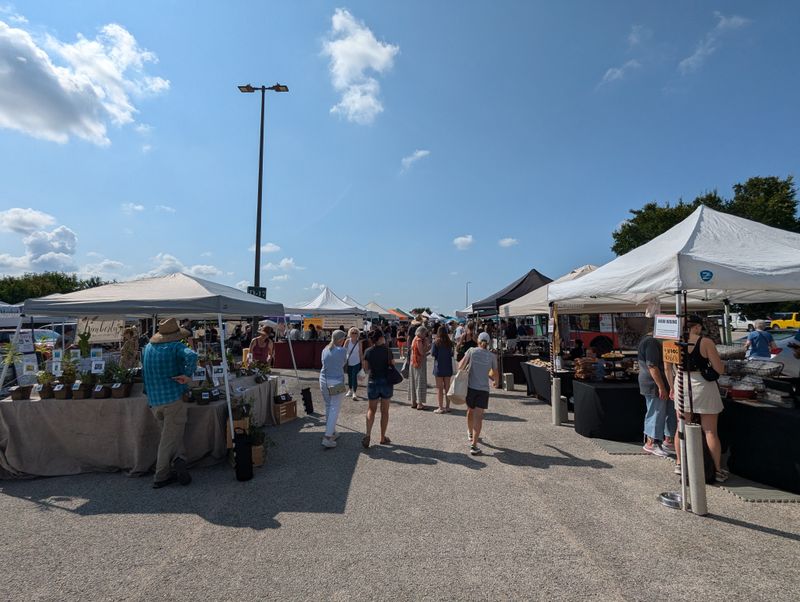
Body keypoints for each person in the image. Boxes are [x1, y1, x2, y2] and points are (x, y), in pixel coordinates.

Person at [665, 314, 728, 482]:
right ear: (697, 327)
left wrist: (671, 387)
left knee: (681, 427)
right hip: (702, 385)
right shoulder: (706, 342)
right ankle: (717, 469)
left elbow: (667, 368)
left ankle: (679, 463)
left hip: (681, 383)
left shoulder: (671, 343)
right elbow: (719, 369)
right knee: (710, 431)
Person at [142, 318, 198, 489]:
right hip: (172, 398)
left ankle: (179, 459)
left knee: (170, 435)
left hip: (154, 400)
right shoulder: (176, 346)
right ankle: (161, 475)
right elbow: (193, 355)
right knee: (168, 439)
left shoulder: (148, 348)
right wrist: (187, 375)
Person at [458, 332, 500, 455]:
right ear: (488, 343)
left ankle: (470, 432)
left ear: (478, 341)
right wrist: (496, 383)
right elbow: (495, 372)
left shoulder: (471, 351)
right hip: (483, 390)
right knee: (479, 417)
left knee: (470, 411)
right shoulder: (492, 356)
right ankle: (474, 445)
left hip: (471, 387)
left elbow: (460, 366)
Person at [637, 332, 675, 457]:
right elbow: (652, 366)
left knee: (666, 411)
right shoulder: (651, 342)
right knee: (656, 412)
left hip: (659, 383)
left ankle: (668, 440)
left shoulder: (650, 340)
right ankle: (651, 443)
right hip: (653, 384)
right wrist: (661, 387)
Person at [362, 329, 394, 448]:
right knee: (384, 411)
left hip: (373, 381)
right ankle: (382, 437)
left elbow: (365, 368)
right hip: (386, 382)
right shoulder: (387, 351)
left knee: (371, 409)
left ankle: (368, 434)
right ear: (381, 338)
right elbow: (393, 364)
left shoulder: (368, 351)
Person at [319, 330, 348, 449]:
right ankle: (328, 436)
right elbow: (344, 362)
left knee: (329, 406)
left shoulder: (325, 349)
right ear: (341, 340)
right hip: (335, 381)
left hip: (323, 379)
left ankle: (331, 431)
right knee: (334, 407)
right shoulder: (342, 351)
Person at [431, 325, 455, 413]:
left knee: (439, 388)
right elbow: (452, 354)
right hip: (448, 366)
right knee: (447, 388)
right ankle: (448, 406)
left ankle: (440, 407)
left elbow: (433, 354)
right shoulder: (450, 342)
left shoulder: (436, 342)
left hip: (439, 366)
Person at [408, 325, 430, 410]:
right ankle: (420, 404)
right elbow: (421, 352)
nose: (426, 335)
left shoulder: (414, 338)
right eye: (425, 333)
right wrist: (428, 347)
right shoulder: (419, 340)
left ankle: (414, 402)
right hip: (419, 363)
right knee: (419, 382)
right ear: (422, 333)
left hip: (413, 362)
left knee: (413, 382)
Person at [344, 327, 364, 400]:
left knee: (354, 376)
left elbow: (361, 353)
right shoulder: (347, 341)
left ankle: (354, 393)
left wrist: (362, 363)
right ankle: (350, 389)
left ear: (358, 334)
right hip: (348, 362)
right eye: (352, 332)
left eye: (356, 333)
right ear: (350, 333)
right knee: (349, 376)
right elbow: (343, 351)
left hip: (357, 361)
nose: (354, 334)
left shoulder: (359, 342)